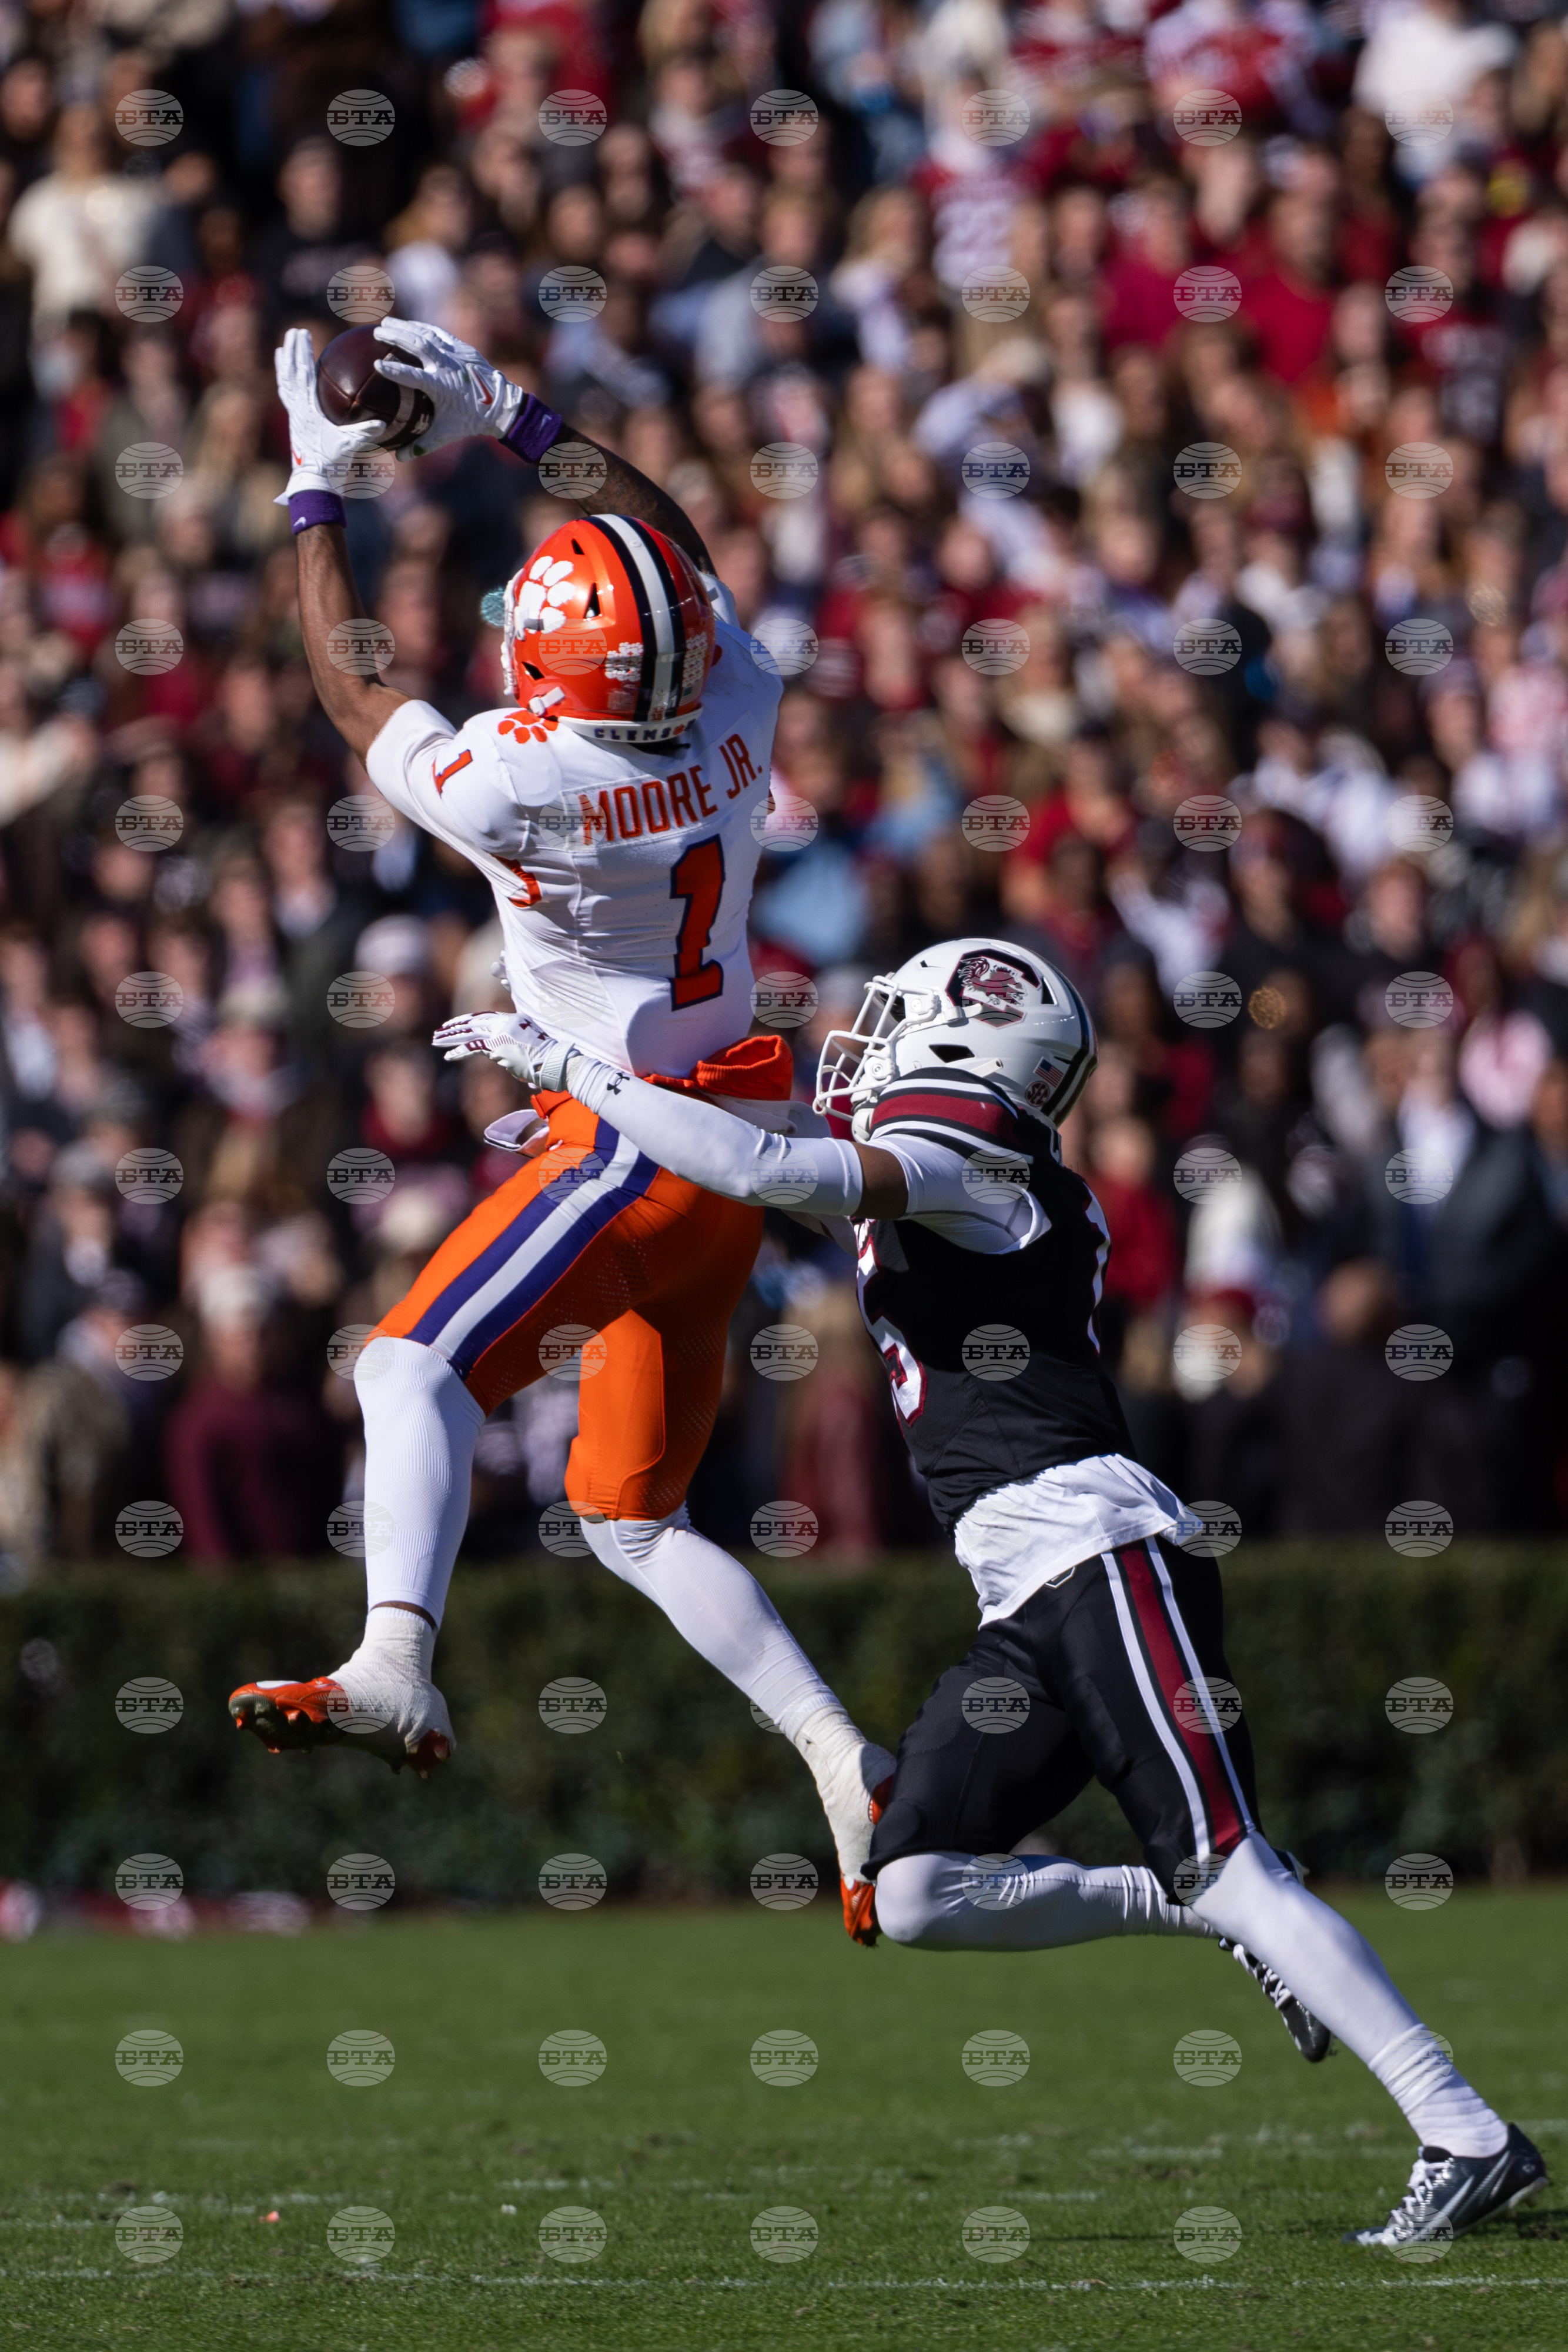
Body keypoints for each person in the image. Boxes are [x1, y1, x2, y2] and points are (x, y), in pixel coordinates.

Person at [447, 937, 1549, 2254]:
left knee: (1229, 1859)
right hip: (1022, 1587)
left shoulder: (974, 1151)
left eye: (895, 1021)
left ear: (971, 1046)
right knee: (913, 1889)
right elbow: (755, 1157)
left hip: (1099, 1551)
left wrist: (573, 1064)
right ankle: (1190, 1907)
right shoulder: (955, 1163)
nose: (862, 1046)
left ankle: (1462, 2131)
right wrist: (593, 1142)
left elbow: (763, 1164)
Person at [228, 319, 894, 1886]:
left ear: (543, 667)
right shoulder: (738, 696)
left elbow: (351, 689)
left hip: (631, 1140)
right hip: (739, 1126)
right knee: (631, 1520)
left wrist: (315, 487)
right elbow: (670, 540)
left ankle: (396, 1658)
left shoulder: (520, 781)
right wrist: (509, 413)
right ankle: (838, 1754)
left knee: (407, 1371)